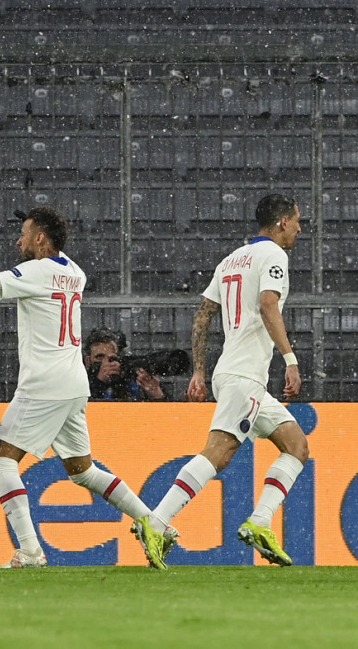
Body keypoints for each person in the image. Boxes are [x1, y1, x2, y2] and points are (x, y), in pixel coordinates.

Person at [0, 206, 167, 569]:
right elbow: (50, 270)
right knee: (82, 470)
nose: (18, 240)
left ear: (41, 239)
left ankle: (29, 551)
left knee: (2, 461)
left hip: (44, 384)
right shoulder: (75, 272)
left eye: (24, 233)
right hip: (73, 384)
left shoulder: (37, 271)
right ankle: (152, 522)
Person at [134, 194, 307, 569]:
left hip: (234, 374)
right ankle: (156, 521)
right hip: (244, 375)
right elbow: (267, 304)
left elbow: (203, 314)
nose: (298, 228)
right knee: (219, 451)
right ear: (280, 222)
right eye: (296, 220)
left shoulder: (231, 259)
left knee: (295, 444)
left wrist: (199, 370)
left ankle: (260, 522)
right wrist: (290, 360)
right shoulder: (274, 256)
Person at [83, 327, 169, 401]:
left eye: (112, 357)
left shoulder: (133, 377)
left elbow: (169, 415)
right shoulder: (81, 381)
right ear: (87, 360)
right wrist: (100, 383)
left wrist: (157, 395)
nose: (106, 363)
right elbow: (79, 412)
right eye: (100, 357)